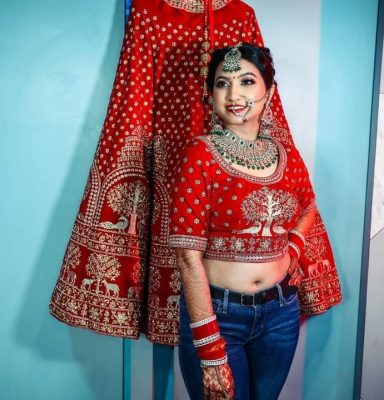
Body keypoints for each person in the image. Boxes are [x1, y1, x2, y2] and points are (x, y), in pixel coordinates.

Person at [49, 0, 341, 346]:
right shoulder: (148, 11)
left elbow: (257, 89)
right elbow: (134, 94)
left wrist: (293, 245)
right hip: (167, 148)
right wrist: (138, 162)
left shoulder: (240, 14)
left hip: (236, 168)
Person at [168, 44, 324, 400]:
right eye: (223, 83)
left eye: (247, 81)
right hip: (220, 316)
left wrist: (293, 250)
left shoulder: (284, 154)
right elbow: (188, 258)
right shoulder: (200, 154)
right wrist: (209, 348)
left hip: (281, 312)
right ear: (211, 94)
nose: (234, 94)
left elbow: (308, 206)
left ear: (267, 92)